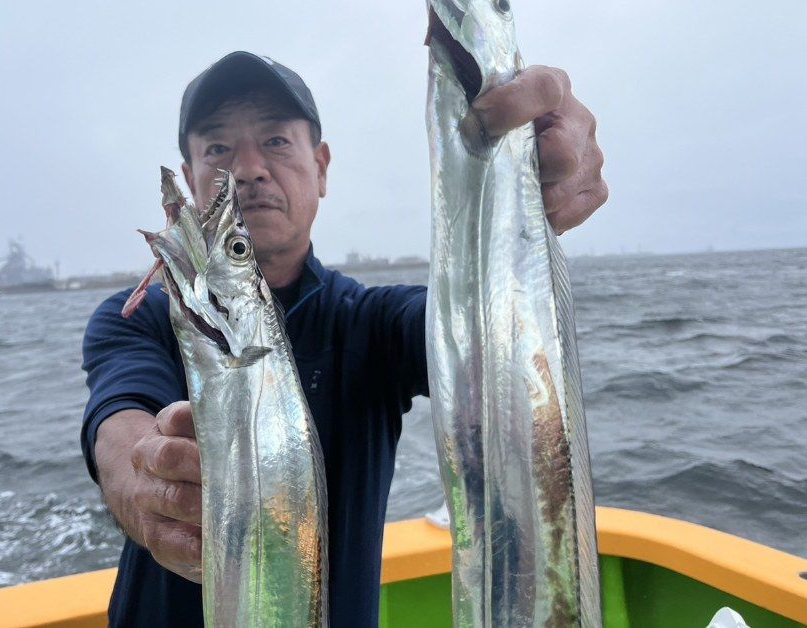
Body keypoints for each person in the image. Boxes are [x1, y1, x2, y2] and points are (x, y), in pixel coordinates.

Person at [81, 51, 607, 627]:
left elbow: (486, 337)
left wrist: (518, 186)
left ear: (321, 167)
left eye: (276, 141)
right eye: (218, 149)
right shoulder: (142, 317)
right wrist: (148, 484)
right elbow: (118, 419)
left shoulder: (373, 322)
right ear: (189, 178)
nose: (248, 169)